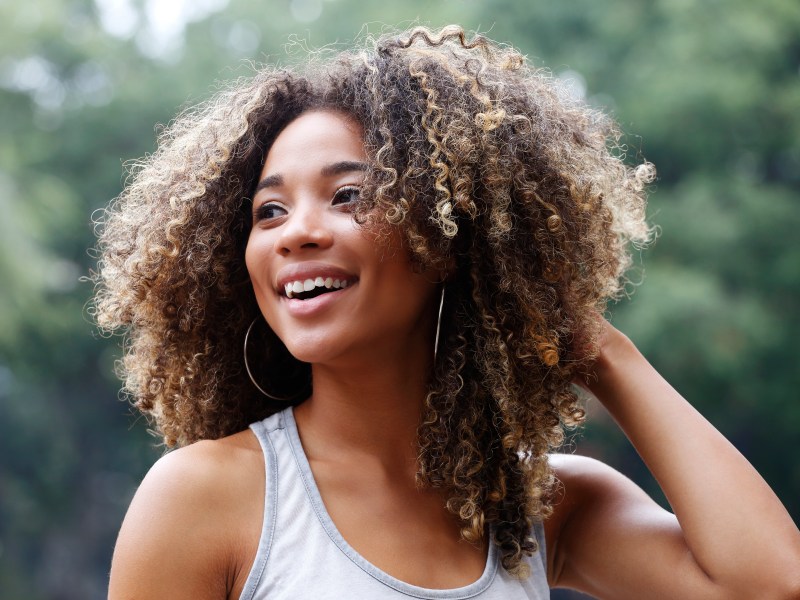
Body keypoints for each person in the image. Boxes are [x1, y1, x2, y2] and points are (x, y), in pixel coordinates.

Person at [94, 25, 800, 599]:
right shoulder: (205, 498)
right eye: (269, 210)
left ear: (446, 236)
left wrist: (606, 355)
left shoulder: (537, 506)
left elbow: (770, 585)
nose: (296, 232)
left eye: (348, 196)